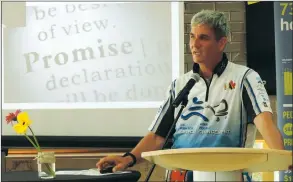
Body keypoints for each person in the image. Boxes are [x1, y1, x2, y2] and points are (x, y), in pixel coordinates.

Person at [96, 10, 287, 181]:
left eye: (203, 38)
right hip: (180, 175)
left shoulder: (245, 78)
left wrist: (284, 161)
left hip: (228, 175)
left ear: (221, 43)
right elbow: (157, 137)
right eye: (192, 37)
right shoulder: (180, 84)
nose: (194, 44)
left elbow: (265, 123)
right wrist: (128, 158)